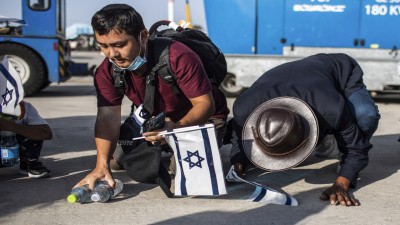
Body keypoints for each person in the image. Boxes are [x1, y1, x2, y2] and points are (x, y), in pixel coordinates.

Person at [74, 4, 229, 191]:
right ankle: (163, 147)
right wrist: (101, 166)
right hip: (155, 121)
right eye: (104, 46)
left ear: (143, 36)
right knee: (116, 161)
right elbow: (108, 118)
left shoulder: (178, 57)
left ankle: (225, 135)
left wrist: (175, 128)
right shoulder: (106, 71)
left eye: (120, 45)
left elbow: (205, 104)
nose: (112, 54)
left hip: (200, 117)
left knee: (187, 175)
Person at [226, 53, 380, 206]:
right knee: (332, 119)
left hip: (339, 69)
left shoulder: (332, 110)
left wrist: (342, 182)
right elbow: (239, 136)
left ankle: (331, 139)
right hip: (299, 78)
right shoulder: (244, 109)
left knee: (366, 115)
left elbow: (356, 148)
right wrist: (238, 163)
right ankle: (326, 138)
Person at [0, 100, 53, 178]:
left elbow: (47, 133)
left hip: (12, 145)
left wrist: (11, 126)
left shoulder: (25, 107)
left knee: (33, 130)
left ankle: (29, 163)